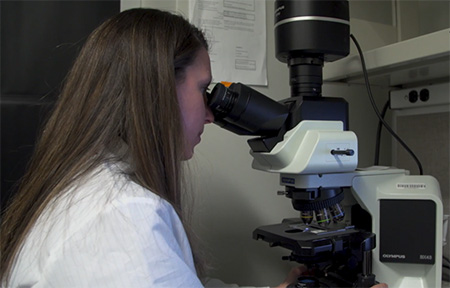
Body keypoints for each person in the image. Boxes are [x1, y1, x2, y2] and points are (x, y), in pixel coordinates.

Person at [0, 8, 387, 288]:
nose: (211, 115)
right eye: (204, 90)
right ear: (155, 90)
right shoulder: (121, 217)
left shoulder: (89, 187)